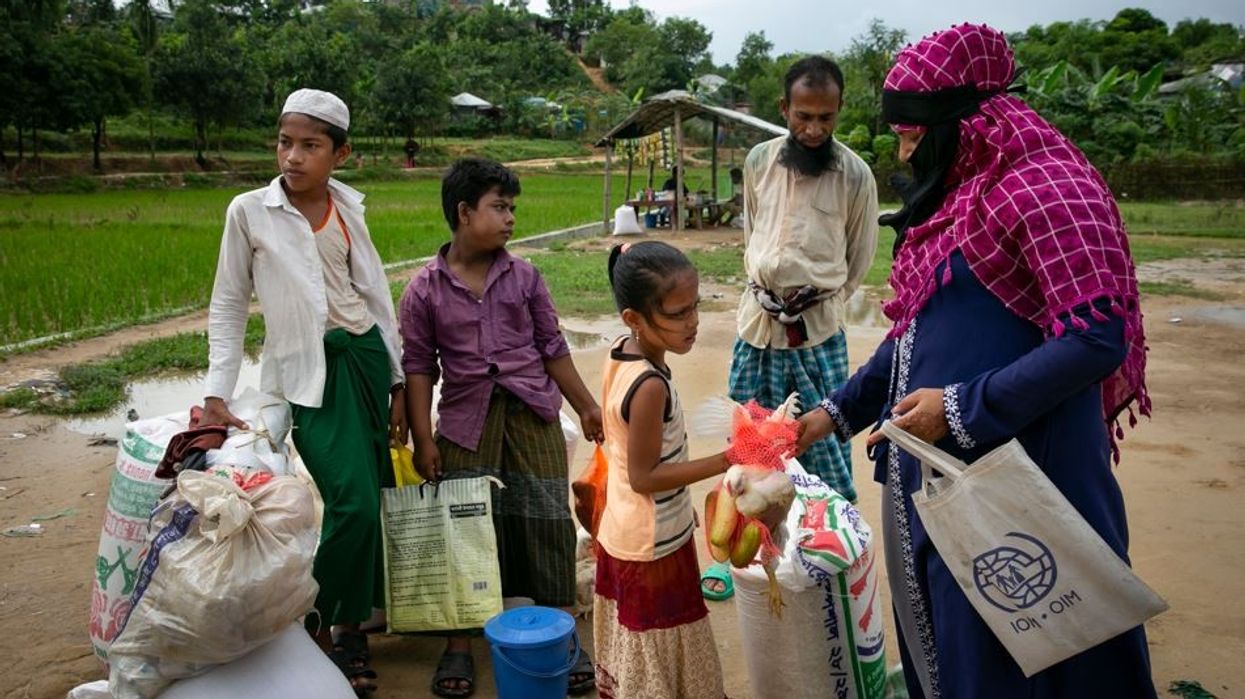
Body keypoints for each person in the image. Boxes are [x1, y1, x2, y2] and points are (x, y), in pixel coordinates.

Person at [796, 24, 1156, 698]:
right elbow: (917, 335)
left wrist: (957, 407)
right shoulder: (961, 195)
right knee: (964, 651)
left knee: (1045, 648)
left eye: (911, 131)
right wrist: (833, 412)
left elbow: (1095, 336)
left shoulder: (1048, 187)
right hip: (945, 474)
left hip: (1023, 477)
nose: (902, 146)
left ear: (964, 121)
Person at [202, 88, 404, 696]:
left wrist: (396, 380)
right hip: (307, 376)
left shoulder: (348, 209)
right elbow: (229, 301)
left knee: (377, 496)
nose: (293, 156)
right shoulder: (250, 211)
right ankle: (316, 629)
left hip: (364, 360)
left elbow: (375, 297)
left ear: (340, 154)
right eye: (286, 142)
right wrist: (218, 391)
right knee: (353, 503)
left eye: (310, 145)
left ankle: (353, 628)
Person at [399, 157, 604, 698]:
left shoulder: (526, 277)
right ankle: (460, 645)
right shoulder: (424, 290)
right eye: (499, 207)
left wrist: (584, 405)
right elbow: (419, 368)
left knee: (546, 521)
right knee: (464, 531)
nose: (511, 218)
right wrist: (424, 439)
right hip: (465, 424)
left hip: (531, 414)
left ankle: (563, 636)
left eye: (512, 208)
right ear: (465, 213)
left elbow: (553, 350)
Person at [728, 56, 878, 501]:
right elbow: (752, 234)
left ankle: (827, 549)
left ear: (839, 110)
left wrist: (812, 302)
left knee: (821, 442)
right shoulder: (759, 162)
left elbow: (859, 258)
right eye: (804, 117)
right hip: (756, 327)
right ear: (783, 109)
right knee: (750, 446)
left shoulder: (855, 176)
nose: (814, 129)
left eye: (825, 118)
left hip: (818, 335)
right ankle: (758, 547)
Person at [593, 241, 730, 699]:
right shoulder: (650, 386)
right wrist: (724, 461)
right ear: (634, 319)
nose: (691, 323)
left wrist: (680, 504)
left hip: (629, 527)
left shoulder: (624, 351)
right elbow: (645, 476)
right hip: (649, 544)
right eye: (676, 314)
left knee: (645, 638)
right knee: (660, 635)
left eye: (695, 308)